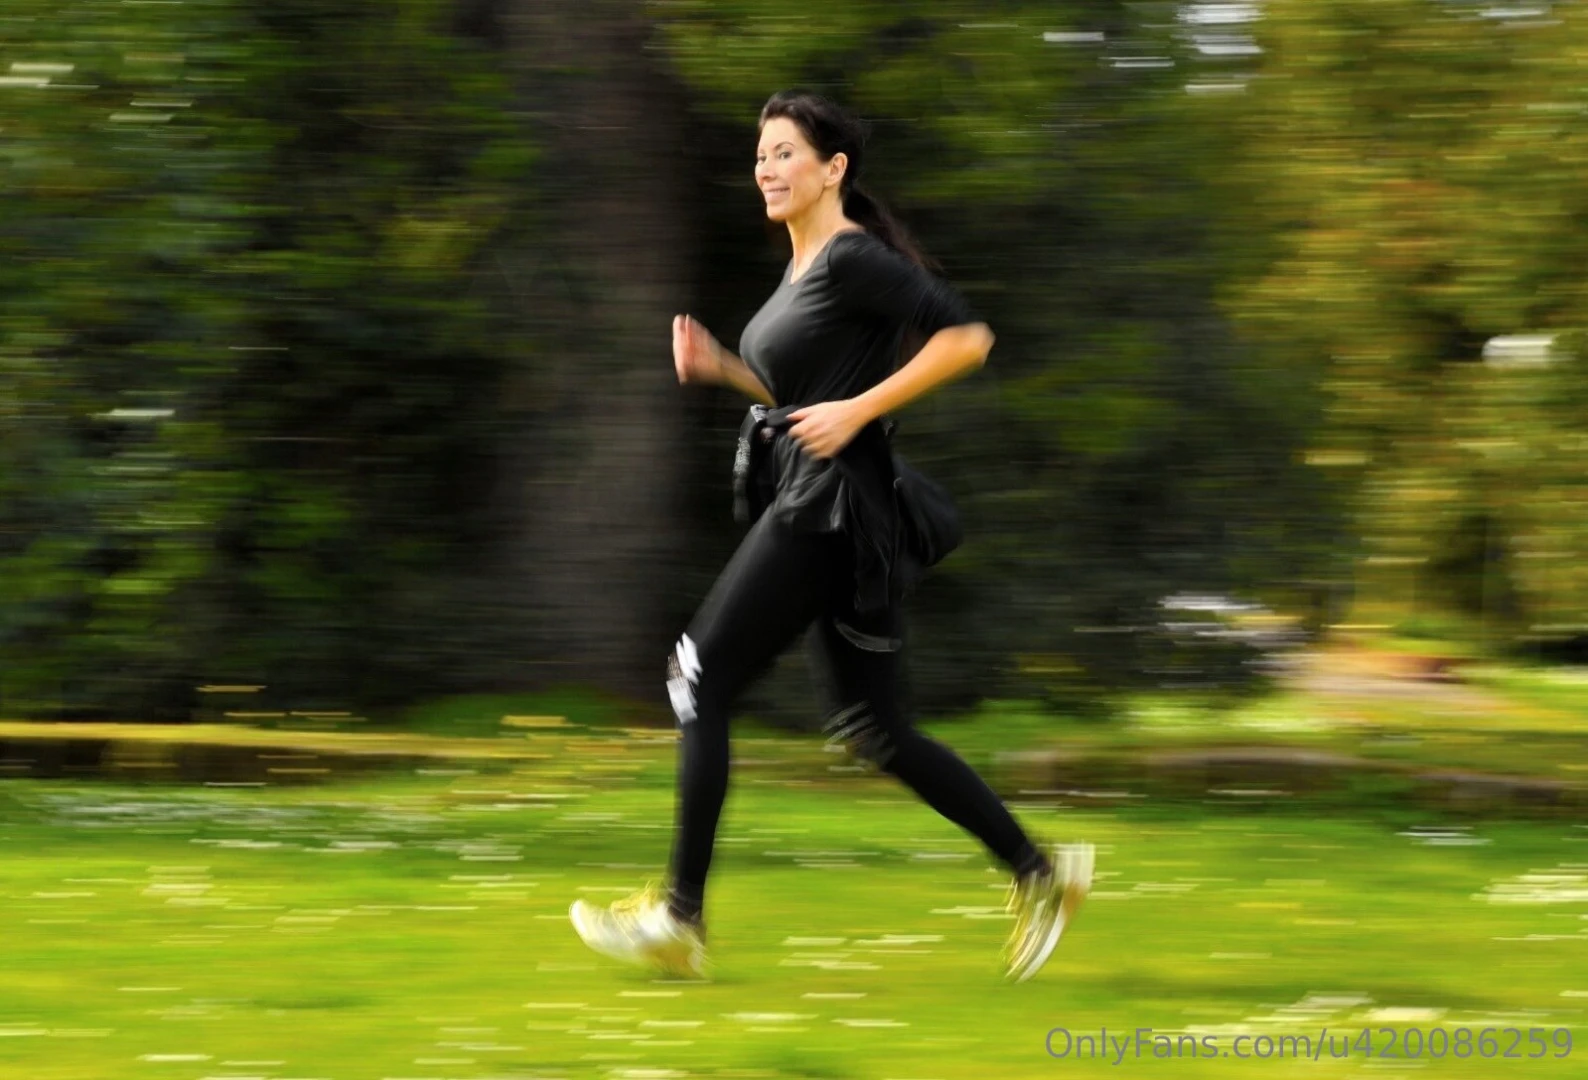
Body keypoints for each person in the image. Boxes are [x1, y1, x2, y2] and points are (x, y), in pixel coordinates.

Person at [569, 90, 1093, 982]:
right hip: (838, 507)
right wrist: (729, 369)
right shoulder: (803, 269)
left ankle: (679, 915)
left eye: (784, 153)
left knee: (698, 675)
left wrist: (858, 409)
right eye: (761, 155)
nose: (765, 169)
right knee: (875, 726)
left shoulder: (852, 260)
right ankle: (1041, 873)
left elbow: (966, 338)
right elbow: (800, 400)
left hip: (831, 508)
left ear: (832, 169)